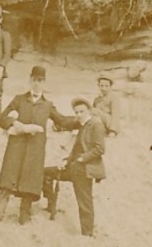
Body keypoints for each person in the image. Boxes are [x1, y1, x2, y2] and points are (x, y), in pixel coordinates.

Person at [0, 65, 71, 226]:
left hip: (35, 150)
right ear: (29, 80)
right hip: (16, 147)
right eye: (34, 80)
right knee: (8, 181)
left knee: (29, 183)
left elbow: (62, 121)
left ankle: (24, 217)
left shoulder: (48, 105)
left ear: (44, 83)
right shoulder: (19, 99)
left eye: (40, 81)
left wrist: (82, 121)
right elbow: (2, 117)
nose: (36, 84)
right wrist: (16, 124)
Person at [43, 97, 108, 237]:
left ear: (89, 111)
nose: (78, 115)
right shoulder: (82, 125)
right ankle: (50, 205)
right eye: (76, 112)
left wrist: (82, 158)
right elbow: (77, 148)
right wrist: (66, 161)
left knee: (84, 203)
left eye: (81, 111)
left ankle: (87, 233)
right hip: (73, 167)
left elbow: (100, 149)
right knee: (46, 172)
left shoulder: (96, 124)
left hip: (85, 170)